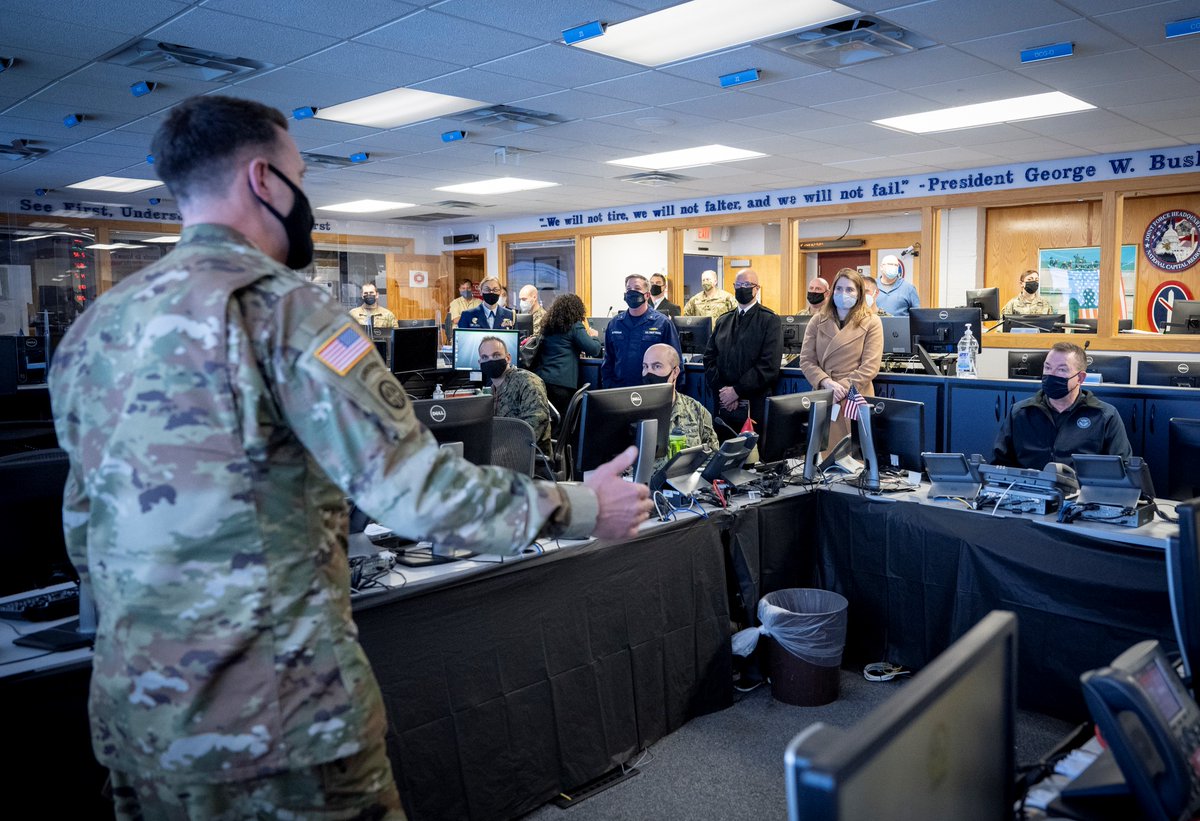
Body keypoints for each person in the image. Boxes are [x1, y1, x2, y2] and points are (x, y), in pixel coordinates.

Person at [47, 94, 652, 821]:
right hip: (279, 727)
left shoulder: (94, 330)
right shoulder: (289, 315)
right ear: (264, 179)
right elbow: (415, 491)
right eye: (302, 175)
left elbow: (83, 527)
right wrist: (582, 505)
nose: (307, 197)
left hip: (139, 723)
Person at [992, 342, 1132, 470]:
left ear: (1080, 378)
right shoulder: (1021, 412)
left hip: (1081, 494)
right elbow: (999, 464)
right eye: (1047, 367)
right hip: (1030, 492)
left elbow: (1123, 469)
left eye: (1061, 370)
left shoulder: (1104, 416)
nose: (1051, 375)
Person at [798, 267, 883, 448]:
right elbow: (806, 360)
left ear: (859, 293)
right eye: (839, 288)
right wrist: (827, 383)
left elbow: (870, 366)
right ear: (832, 292)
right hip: (824, 394)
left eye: (850, 289)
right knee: (824, 458)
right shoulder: (817, 320)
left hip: (855, 395)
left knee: (854, 461)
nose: (843, 293)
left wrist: (841, 388)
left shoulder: (872, 322)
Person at [703, 268, 783, 435]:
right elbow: (709, 358)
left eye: (747, 284)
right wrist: (724, 392)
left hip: (754, 405)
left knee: (752, 457)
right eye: (738, 284)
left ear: (757, 288)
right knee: (723, 453)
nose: (742, 288)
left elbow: (768, 366)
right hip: (723, 404)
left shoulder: (769, 320)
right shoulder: (724, 320)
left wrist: (737, 391)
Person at [642, 343, 718, 470]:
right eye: (645, 367)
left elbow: (713, 457)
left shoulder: (696, 410)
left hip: (687, 485)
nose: (648, 372)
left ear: (675, 372)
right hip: (645, 486)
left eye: (656, 366)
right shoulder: (633, 412)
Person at [602, 274, 682, 389]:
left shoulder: (662, 323)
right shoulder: (615, 324)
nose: (632, 292)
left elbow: (676, 362)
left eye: (637, 288)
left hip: (651, 391)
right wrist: (608, 386)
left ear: (647, 295)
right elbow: (608, 361)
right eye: (629, 289)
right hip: (619, 390)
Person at [478, 335, 552, 458]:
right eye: (485, 357)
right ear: (480, 363)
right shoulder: (491, 390)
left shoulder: (527, 381)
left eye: (496, 355)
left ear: (508, 358)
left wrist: (500, 452)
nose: (490, 360)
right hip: (501, 456)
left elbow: (535, 424)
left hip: (529, 459)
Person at [536, 293, 601, 420]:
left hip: (543, 380)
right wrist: (595, 336)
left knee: (548, 421)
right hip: (562, 383)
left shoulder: (549, 325)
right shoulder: (574, 326)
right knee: (562, 423)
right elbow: (594, 349)